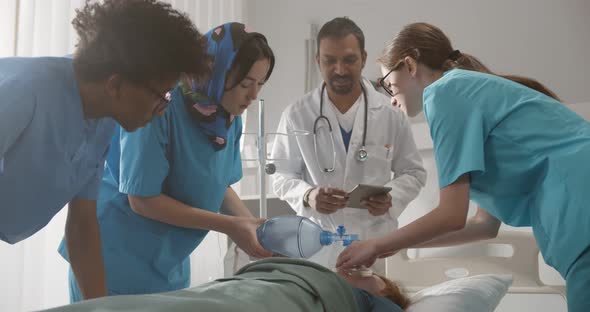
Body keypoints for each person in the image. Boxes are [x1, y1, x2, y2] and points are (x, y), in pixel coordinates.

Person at [336, 22, 590, 311]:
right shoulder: (470, 94)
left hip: (581, 210)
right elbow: (483, 226)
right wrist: (396, 244)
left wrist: (376, 244)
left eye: (389, 85)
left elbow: (451, 214)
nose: (392, 100)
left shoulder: (445, 92)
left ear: (409, 65)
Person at [0, 0, 209, 300]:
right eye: (161, 96)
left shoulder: (102, 119)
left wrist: (99, 307)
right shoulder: (24, 91)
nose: (163, 110)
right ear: (115, 84)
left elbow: (83, 223)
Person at [58, 22, 275, 301]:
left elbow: (218, 185)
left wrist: (257, 230)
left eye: (260, 84)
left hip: (168, 262)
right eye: (246, 84)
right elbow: (142, 199)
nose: (254, 95)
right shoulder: (159, 105)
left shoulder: (228, 120)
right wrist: (231, 226)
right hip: (115, 259)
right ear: (215, 70)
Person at [270, 17, 426, 269]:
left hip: (375, 243)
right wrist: (308, 195)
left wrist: (391, 198)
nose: (340, 70)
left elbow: (414, 173)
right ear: (317, 61)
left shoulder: (390, 114)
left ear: (363, 58)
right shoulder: (297, 114)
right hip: (318, 244)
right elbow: (280, 175)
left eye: (349, 59)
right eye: (330, 60)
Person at [43, 258, 410, 312]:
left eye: (370, 274)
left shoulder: (368, 302)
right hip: (259, 287)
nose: (360, 269)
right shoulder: (315, 275)